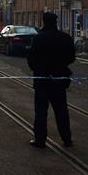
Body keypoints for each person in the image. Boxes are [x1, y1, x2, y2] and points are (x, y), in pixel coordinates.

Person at [26, 11, 74, 148]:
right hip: (59, 80)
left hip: (42, 80)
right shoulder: (65, 38)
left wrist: (38, 69)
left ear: (44, 22)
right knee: (62, 111)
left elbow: (31, 58)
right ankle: (67, 138)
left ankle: (40, 140)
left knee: (41, 111)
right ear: (56, 22)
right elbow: (72, 57)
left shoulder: (39, 38)